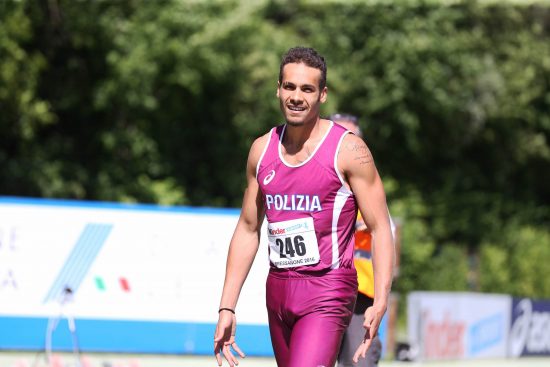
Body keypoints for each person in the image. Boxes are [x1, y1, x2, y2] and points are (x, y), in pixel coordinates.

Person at [214, 46, 394, 367]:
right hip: (279, 289)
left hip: (328, 287)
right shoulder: (261, 150)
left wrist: (380, 300)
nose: (297, 96)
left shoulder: (348, 150)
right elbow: (248, 227)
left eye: (307, 89)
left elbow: (380, 227)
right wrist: (227, 306)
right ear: (278, 89)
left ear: (322, 95)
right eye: (290, 87)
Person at [331, 113, 394, 367]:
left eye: (351, 138)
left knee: (360, 362)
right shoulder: (312, 180)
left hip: (360, 296)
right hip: (319, 290)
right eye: (337, 136)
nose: (344, 144)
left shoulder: (368, 185)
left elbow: (384, 231)